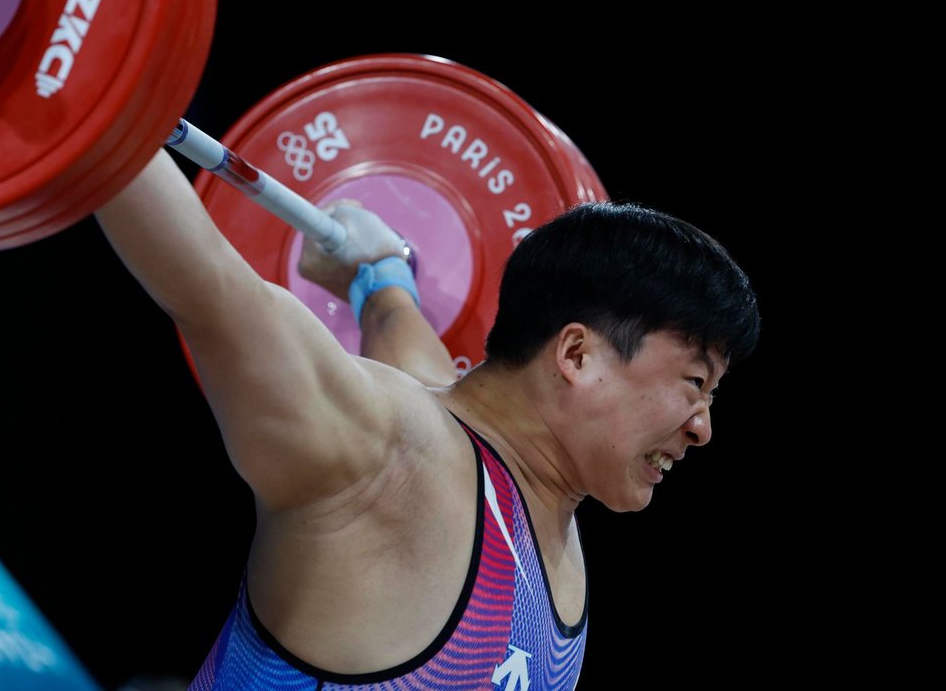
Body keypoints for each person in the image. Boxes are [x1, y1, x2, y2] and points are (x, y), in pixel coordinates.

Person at [94, 148, 760, 690]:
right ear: (578, 354)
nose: (702, 427)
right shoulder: (384, 457)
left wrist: (378, 275)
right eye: (695, 384)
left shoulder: (530, 500)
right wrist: (80, 94)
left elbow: (407, 339)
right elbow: (205, 285)